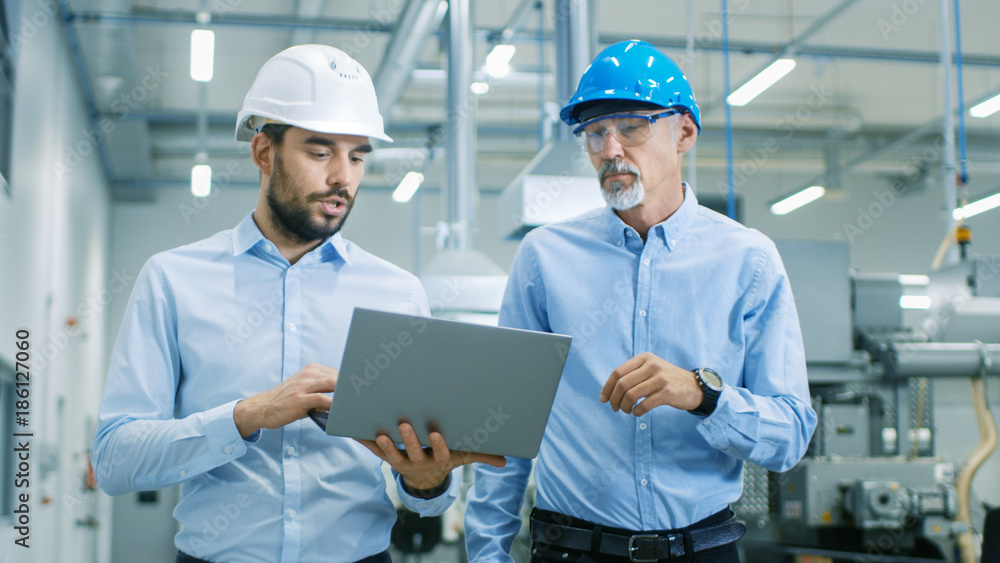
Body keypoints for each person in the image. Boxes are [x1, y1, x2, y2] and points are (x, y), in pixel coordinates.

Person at [91, 44, 502, 563]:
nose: (342, 178)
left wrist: (426, 481)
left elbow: (427, 494)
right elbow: (114, 461)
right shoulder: (173, 280)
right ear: (264, 152)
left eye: (356, 156)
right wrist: (249, 414)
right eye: (320, 151)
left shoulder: (398, 294)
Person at [464, 40, 817, 562]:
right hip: (572, 550)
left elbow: (789, 435)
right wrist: (487, 556)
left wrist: (703, 395)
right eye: (594, 133)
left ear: (685, 133)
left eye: (631, 126)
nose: (610, 150)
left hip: (702, 549)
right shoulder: (544, 258)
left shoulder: (749, 260)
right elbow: (504, 428)